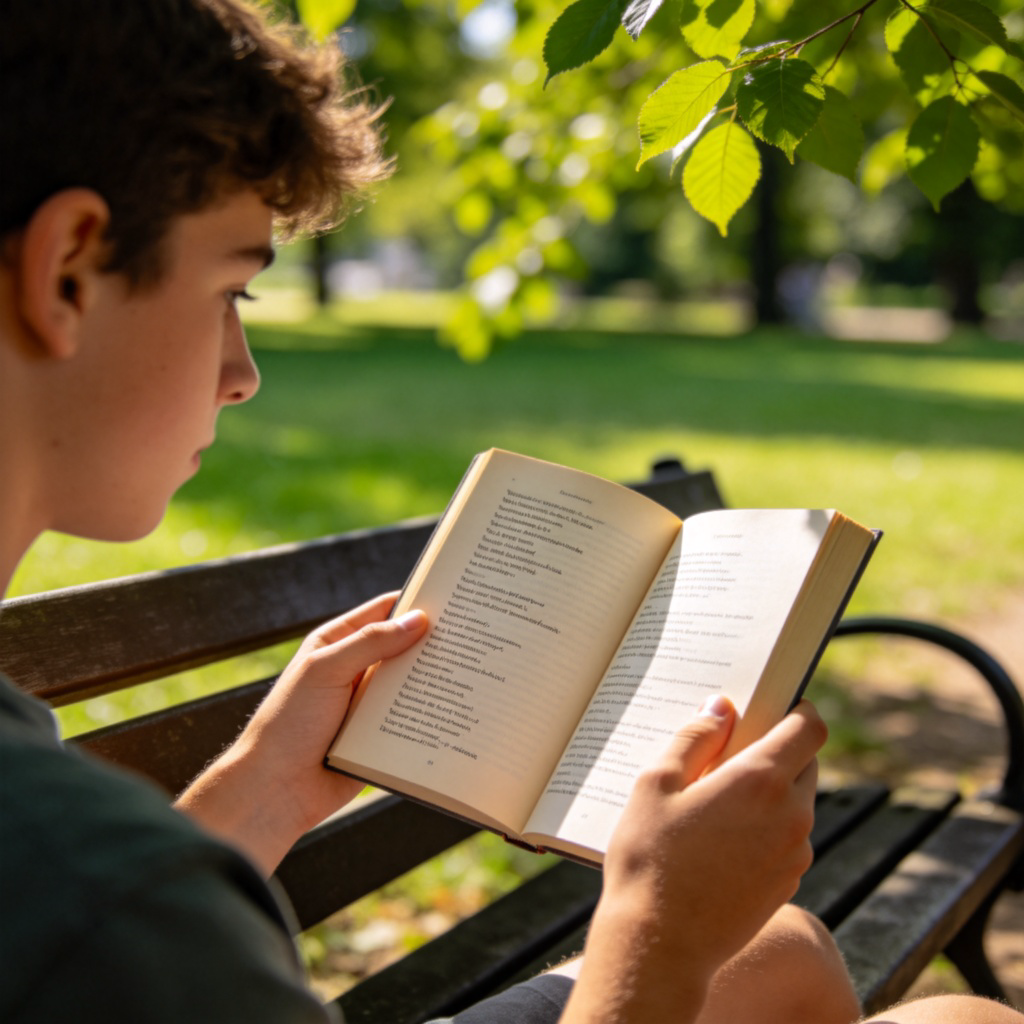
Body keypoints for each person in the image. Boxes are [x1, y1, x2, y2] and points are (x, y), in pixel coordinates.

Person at [0, 2, 1020, 1022]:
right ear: (69, 268)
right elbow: (110, 927)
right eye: (232, 291)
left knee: (785, 952)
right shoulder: (111, 893)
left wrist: (263, 787)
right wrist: (655, 928)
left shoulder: (84, 870)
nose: (241, 374)